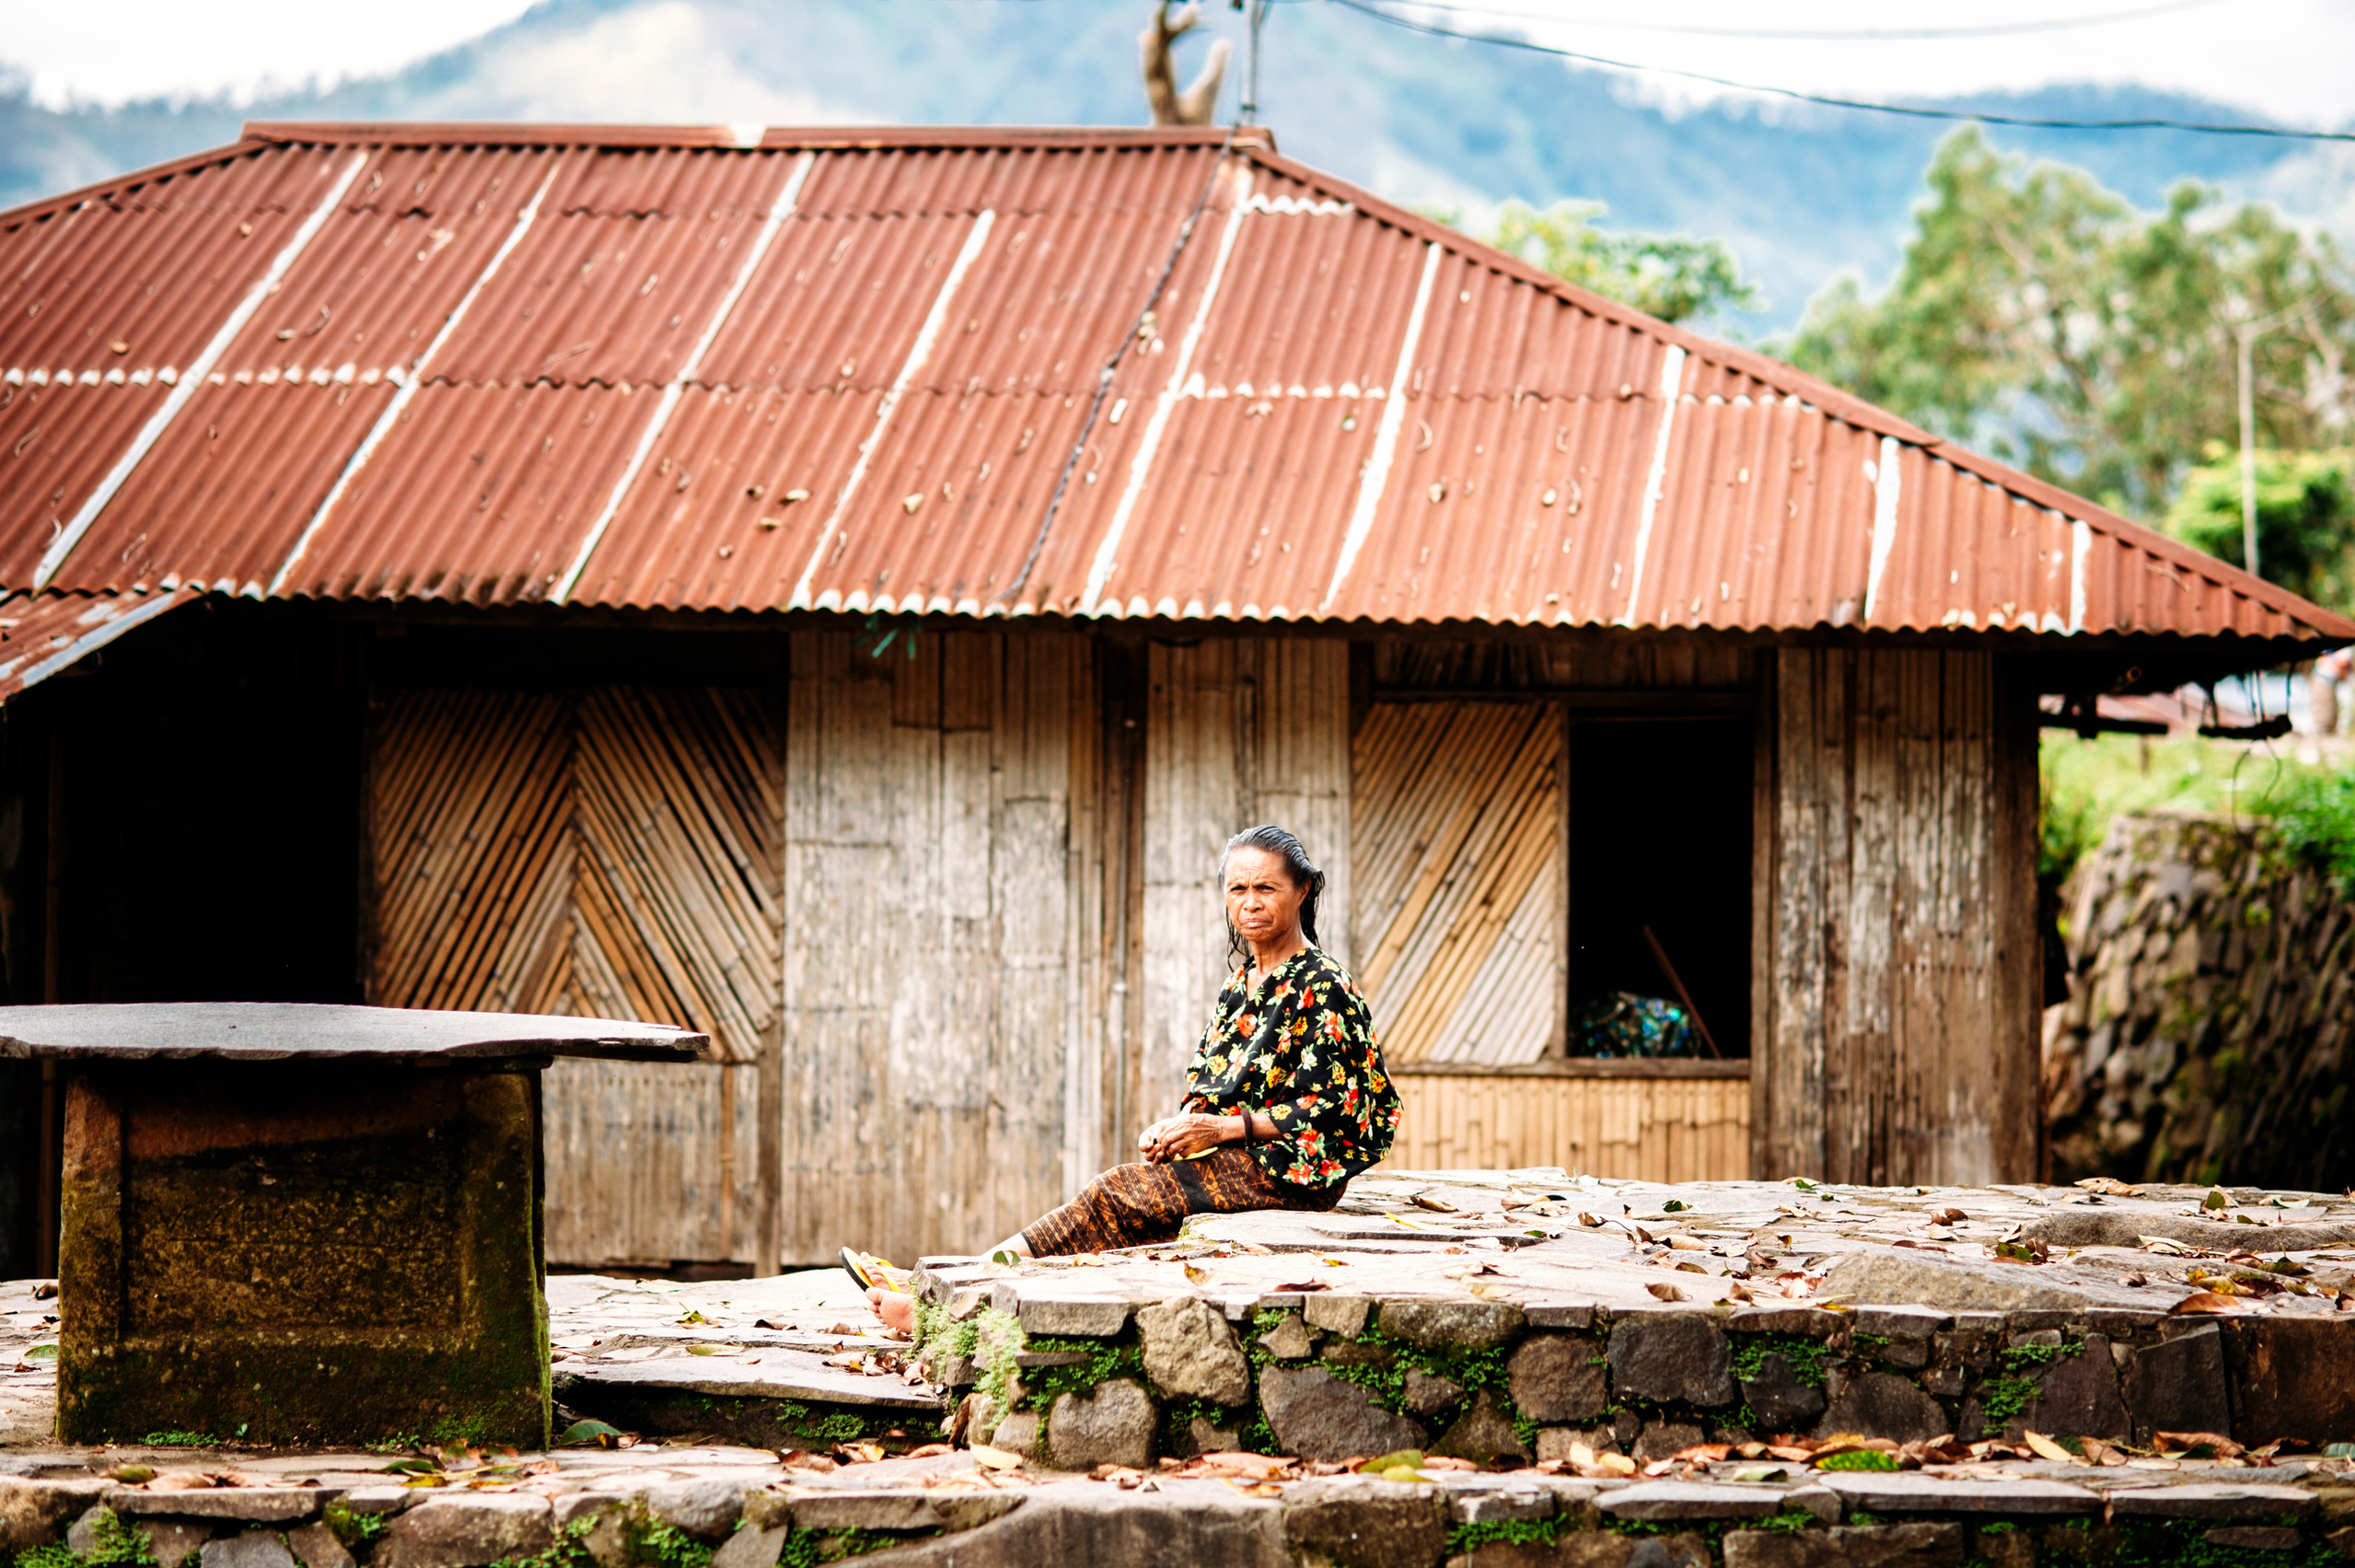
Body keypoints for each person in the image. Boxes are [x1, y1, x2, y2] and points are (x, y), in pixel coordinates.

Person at [847, 824, 1400, 1332]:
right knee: (1111, 1225)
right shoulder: (1241, 984)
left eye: (1266, 889)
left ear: (1302, 890)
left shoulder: (1322, 983)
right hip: (1240, 1159)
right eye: (1237, 890)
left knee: (1113, 1194)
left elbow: (1338, 1107)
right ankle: (953, 1289)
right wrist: (1177, 1128)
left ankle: (940, 1304)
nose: (1250, 903)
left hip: (1293, 1174)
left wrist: (1223, 1130)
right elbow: (1212, 1091)